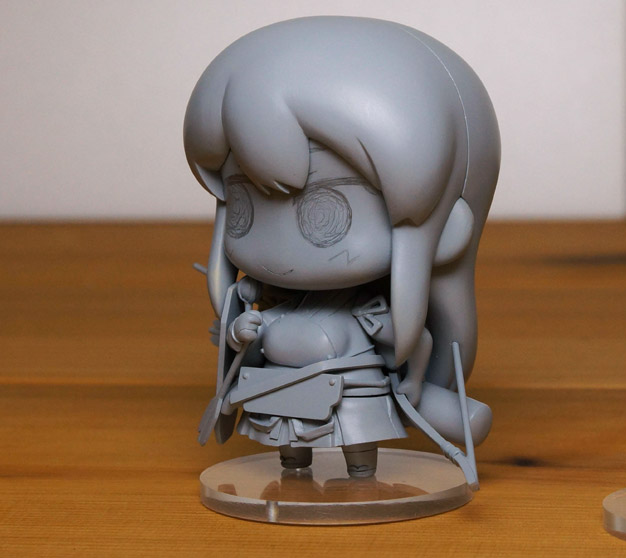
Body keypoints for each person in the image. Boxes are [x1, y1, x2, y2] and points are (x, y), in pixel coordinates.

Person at [184, 16, 500, 477]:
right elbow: (248, 352)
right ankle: (294, 470)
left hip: (351, 399)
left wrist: (409, 372)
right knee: (290, 455)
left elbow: (418, 344)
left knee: (359, 452)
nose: (278, 248)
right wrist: (239, 335)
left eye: (325, 215)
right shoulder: (269, 306)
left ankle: (361, 473)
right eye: (244, 208)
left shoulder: (368, 312)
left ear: (445, 227)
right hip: (277, 399)